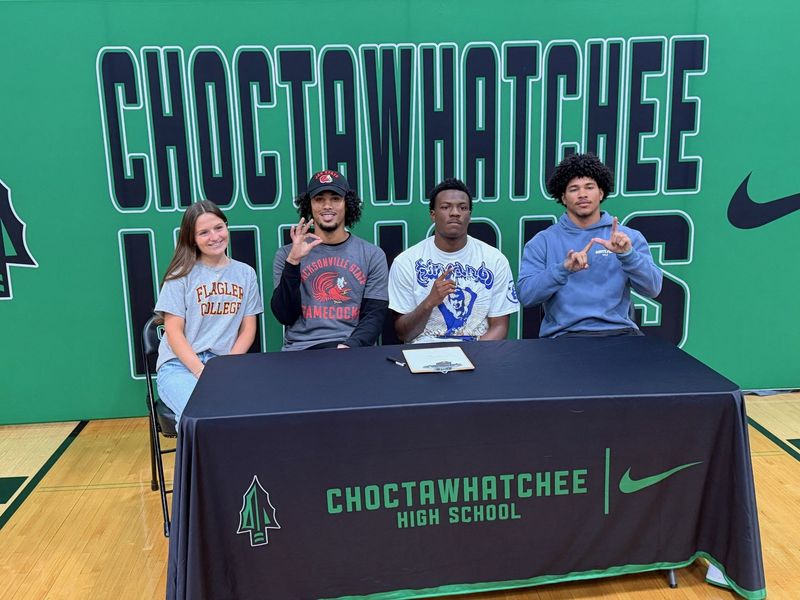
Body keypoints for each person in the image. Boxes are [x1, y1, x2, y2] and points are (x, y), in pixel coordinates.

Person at [518, 153, 662, 337]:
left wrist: (628, 254)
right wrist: (563, 269)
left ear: (601, 192)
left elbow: (653, 289)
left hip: (620, 335)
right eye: (574, 189)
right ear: (562, 197)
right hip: (563, 337)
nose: (583, 194)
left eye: (589, 187)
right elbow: (526, 296)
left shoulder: (628, 238)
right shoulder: (543, 241)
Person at [154, 201, 263, 425]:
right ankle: (198, 461)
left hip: (223, 364)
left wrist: (226, 368)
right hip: (180, 365)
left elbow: (248, 328)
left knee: (253, 411)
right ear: (192, 238)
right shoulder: (180, 275)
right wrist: (200, 372)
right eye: (203, 232)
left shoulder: (245, 274)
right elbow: (174, 332)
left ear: (226, 226)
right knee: (203, 414)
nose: (214, 236)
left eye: (218, 227)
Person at [388, 178, 519, 343]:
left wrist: (474, 356)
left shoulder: (494, 260)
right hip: (423, 355)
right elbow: (403, 334)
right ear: (433, 215)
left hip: (478, 354)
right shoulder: (406, 262)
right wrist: (430, 301)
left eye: (462, 207)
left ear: (469, 215)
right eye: (445, 207)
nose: (455, 212)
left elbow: (499, 326)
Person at [271, 169, 389, 350]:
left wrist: (350, 346)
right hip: (301, 350)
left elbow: (374, 314)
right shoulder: (286, 254)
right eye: (319, 199)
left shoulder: (372, 254)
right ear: (309, 206)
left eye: (335, 198)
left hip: (350, 348)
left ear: (347, 204)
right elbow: (285, 316)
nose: (327, 205)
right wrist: (293, 262)